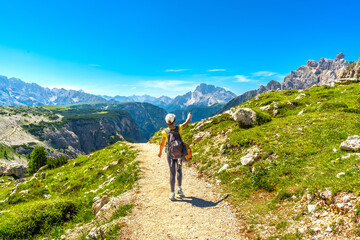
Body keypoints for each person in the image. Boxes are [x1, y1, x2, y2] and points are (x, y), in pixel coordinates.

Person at [158, 112, 192, 201]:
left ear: (166, 122)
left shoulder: (164, 132)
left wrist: (160, 153)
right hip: (180, 153)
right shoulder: (179, 128)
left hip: (170, 155)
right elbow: (186, 123)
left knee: (172, 172)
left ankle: (172, 193)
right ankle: (179, 189)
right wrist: (188, 117)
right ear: (174, 121)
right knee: (179, 170)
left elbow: (162, 144)